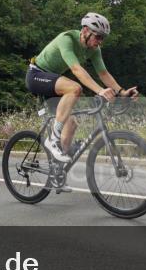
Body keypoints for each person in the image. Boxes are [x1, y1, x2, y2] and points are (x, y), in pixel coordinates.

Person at [25, 13, 137, 162]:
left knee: (71, 123)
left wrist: (121, 92)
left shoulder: (94, 50)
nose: (100, 42)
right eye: (98, 37)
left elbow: (103, 73)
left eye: (102, 38)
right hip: (36, 75)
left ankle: (57, 174)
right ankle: (52, 140)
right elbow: (76, 69)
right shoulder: (66, 39)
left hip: (52, 82)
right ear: (85, 31)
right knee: (74, 88)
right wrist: (100, 90)